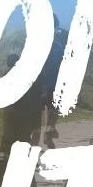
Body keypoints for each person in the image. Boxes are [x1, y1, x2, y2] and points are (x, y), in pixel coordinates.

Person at [0, 51, 44, 145]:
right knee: (23, 137)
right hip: (23, 110)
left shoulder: (6, 73)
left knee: (10, 136)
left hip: (13, 109)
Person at [38, 15, 68, 147]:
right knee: (53, 107)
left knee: (40, 108)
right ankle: (49, 129)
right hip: (56, 79)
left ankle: (41, 133)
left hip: (40, 80)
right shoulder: (62, 37)